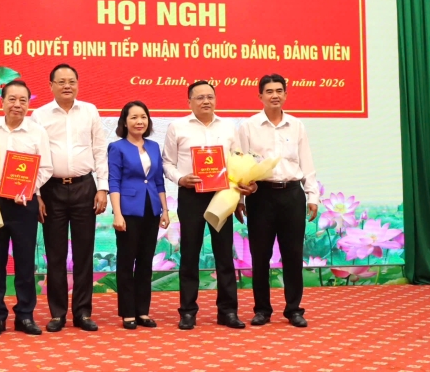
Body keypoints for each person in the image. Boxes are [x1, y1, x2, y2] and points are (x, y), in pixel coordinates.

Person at [162, 81, 252, 330]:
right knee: (190, 254)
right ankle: (187, 312)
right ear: (189, 101)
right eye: (200, 97)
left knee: (224, 255)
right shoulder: (177, 127)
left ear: (216, 99)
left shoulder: (228, 127)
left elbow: (239, 163)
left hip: (222, 195)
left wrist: (240, 199)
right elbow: (167, 163)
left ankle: (228, 311)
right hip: (191, 196)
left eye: (210, 96)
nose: (206, 101)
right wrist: (181, 178)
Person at [236, 73, 319, 328]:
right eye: (269, 91)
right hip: (260, 195)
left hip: (292, 194)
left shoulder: (297, 125)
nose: (275, 95)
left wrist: (312, 195)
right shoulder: (248, 126)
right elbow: (240, 164)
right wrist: (239, 199)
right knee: (260, 255)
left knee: (293, 254)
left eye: (279, 91)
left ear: (285, 94)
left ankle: (294, 309)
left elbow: (306, 162)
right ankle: (262, 309)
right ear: (260, 96)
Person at [31, 64, 107, 333]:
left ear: (77, 84)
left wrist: (103, 188)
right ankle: (58, 313)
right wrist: (36, 193)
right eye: (61, 81)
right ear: (50, 85)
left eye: (71, 81)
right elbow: (34, 155)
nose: (67, 86)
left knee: (85, 253)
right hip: (51, 189)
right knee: (55, 254)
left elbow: (100, 150)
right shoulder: (39, 115)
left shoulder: (90, 111)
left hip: (85, 186)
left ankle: (83, 312)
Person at [0, 80, 53, 336]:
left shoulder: (37, 132)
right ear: (2, 102)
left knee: (24, 263)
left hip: (24, 204)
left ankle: (25, 315)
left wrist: (28, 188)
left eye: (23, 100)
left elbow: (46, 168)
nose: (17, 105)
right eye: (12, 99)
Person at [108, 101, 170, 329]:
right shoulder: (117, 147)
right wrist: (117, 213)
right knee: (126, 261)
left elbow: (158, 181)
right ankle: (128, 312)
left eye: (143, 117)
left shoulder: (153, 146)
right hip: (128, 210)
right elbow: (114, 181)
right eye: (133, 117)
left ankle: (142, 311)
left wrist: (165, 210)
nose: (139, 121)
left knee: (145, 261)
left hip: (151, 209)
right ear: (125, 122)